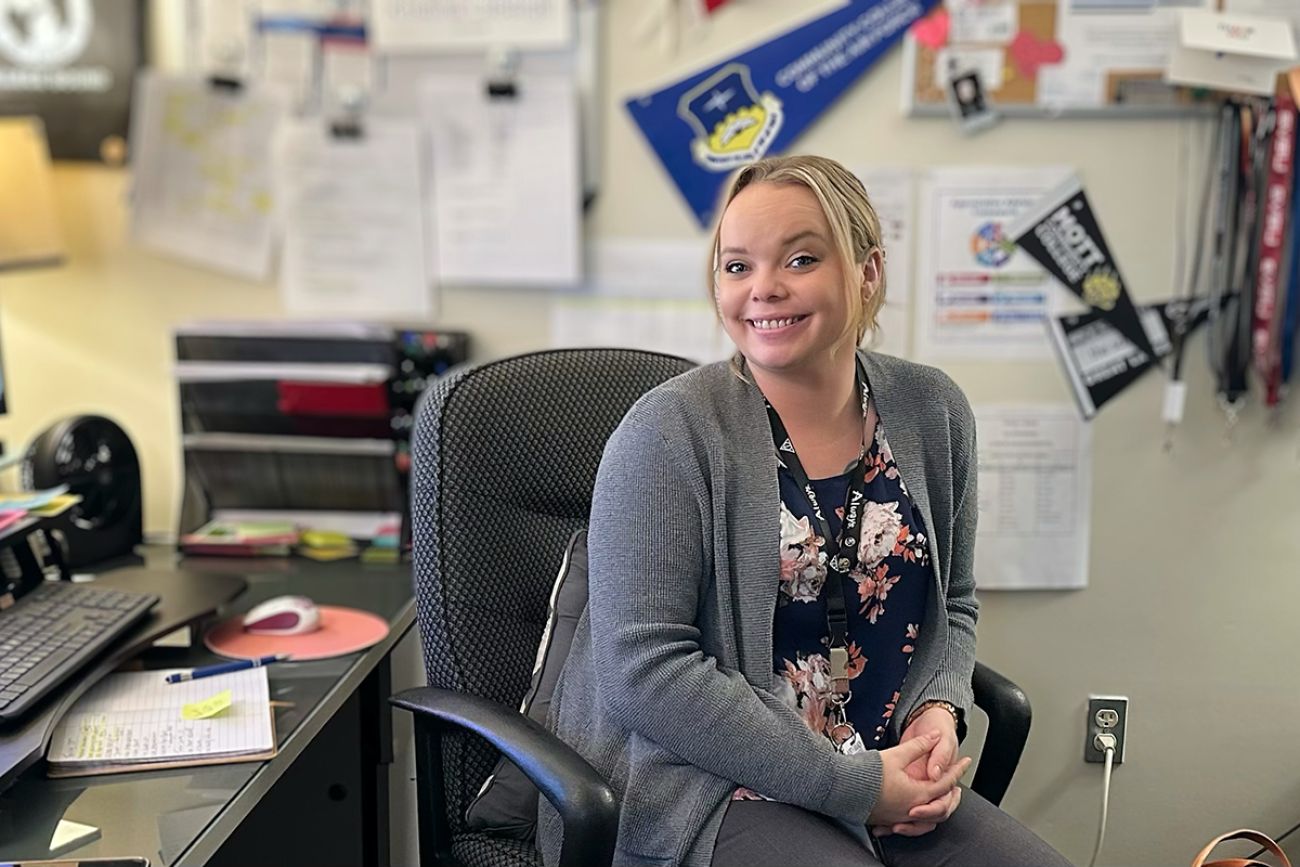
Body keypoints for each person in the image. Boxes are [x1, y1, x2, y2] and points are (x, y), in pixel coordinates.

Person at [538, 155, 1073, 867]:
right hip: (708, 788)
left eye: (800, 258)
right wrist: (849, 785)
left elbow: (957, 604)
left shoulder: (933, 410)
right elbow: (647, 671)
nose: (763, 288)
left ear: (867, 272)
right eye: (737, 266)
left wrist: (938, 711)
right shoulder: (667, 433)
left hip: (882, 771)